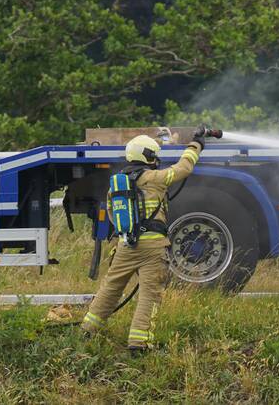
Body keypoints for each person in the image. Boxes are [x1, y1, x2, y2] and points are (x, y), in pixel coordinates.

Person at [81, 127, 208, 353]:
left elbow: (112, 215)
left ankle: (87, 331)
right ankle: (139, 345)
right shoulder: (156, 178)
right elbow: (184, 168)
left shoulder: (117, 184)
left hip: (125, 245)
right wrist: (196, 144)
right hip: (152, 248)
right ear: (148, 157)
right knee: (150, 295)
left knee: (110, 288)